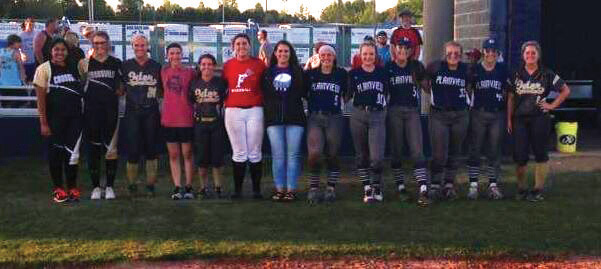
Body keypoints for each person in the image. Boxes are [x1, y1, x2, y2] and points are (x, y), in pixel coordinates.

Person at [507, 40, 570, 202]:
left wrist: (551, 105)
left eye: (533, 53)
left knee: (541, 154)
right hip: (520, 119)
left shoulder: (546, 74)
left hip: (539, 118)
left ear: (538, 55)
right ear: (523, 56)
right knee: (520, 156)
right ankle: (521, 188)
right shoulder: (516, 74)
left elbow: (565, 90)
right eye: (527, 53)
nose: (530, 55)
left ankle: (537, 190)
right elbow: (511, 98)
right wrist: (509, 119)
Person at [33, 38, 83, 203]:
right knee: (56, 154)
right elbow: (40, 99)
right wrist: (43, 122)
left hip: (75, 119)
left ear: (67, 52)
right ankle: (58, 188)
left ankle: (72, 187)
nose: (60, 53)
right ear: (50, 51)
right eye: (56, 49)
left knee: (73, 154)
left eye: (63, 50)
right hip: (55, 120)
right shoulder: (44, 69)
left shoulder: (74, 68)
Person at [423, 41, 472, 201]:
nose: (453, 55)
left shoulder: (466, 69)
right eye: (450, 52)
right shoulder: (435, 67)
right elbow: (424, 83)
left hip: (460, 114)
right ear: (444, 54)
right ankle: (436, 183)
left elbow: (471, 86)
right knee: (439, 153)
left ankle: (449, 185)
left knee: (455, 151)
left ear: (461, 54)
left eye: (457, 53)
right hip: (439, 114)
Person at [78, 31, 123, 200]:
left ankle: (110, 186)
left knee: (111, 150)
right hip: (90, 113)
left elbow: (121, 85)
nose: (99, 46)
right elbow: (80, 84)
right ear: (92, 45)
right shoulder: (84, 64)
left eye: (102, 43)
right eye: (96, 43)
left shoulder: (116, 63)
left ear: (108, 43)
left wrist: (121, 89)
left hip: (111, 112)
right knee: (93, 150)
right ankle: (96, 186)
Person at [222, 33, 267, 199]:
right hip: (233, 110)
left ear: (250, 45)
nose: (241, 47)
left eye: (244, 43)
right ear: (233, 47)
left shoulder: (259, 64)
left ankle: (256, 190)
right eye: (238, 44)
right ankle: (238, 190)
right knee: (239, 152)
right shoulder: (228, 65)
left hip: (255, 109)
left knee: (255, 152)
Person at [385, 37, 429, 206]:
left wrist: (424, 77)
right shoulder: (389, 67)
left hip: (411, 111)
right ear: (395, 49)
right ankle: (401, 187)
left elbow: (426, 88)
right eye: (400, 47)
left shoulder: (416, 66)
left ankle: (423, 188)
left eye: (406, 48)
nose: (403, 51)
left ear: (411, 51)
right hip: (394, 110)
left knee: (417, 149)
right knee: (396, 150)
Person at [262, 40, 306, 202]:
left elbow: (304, 91)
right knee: (278, 156)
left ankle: (291, 190)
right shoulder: (268, 73)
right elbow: (264, 95)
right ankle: (280, 189)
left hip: (295, 119)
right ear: (275, 53)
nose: (283, 54)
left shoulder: (298, 71)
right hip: (274, 120)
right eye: (280, 51)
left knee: (293, 155)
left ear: (290, 53)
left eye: (286, 51)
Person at [305, 44, 347, 203]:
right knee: (314, 153)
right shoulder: (311, 74)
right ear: (318, 57)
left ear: (334, 57)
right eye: (323, 55)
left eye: (329, 55)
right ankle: (314, 188)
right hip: (315, 116)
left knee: (333, 153)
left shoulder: (341, 74)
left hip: (334, 116)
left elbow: (347, 93)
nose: (326, 58)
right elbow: (303, 92)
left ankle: (331, 188)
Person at [466, 38, 508, 200]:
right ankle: (473, 185)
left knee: (494, 150)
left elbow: (506, 91)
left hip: (496, 113)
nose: (490, 54)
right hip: (478, 113)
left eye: (493, 51)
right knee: (475, 149)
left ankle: (493, 185)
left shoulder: (502, 69)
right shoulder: (475, 69)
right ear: (483, 52)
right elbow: (468, 90)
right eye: (488, 50)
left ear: (498, 53)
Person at [122, 34, 162, 197]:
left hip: (151, 111)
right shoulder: (125, 66)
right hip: (132, 111)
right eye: (136, 45)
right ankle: (132, 185)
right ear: (132, 46)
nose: (140, 48)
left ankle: (150, 185)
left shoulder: (156, 66)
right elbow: (119, 87)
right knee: (133, 150)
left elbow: (161, 88)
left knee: (151, 149)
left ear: (147, 47)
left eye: (143, 45)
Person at [349, 42, 389, 203]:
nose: (368, 57)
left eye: (371, 54)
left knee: (377, 157)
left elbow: (386, 94)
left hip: (377, 115)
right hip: (359, 113)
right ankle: (367, 187)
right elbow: (347, 95)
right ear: (360, 55)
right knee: (361, 155)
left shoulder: (382, 72)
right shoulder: (354, 73)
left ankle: (377, 185)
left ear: (375, 56)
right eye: (365, 54)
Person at [161, 42, 196, 200]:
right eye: (172, 53)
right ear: (167, 56)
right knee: (174, 155)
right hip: (169, 119)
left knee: (187, 154)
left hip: (186, 119)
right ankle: (177, 187)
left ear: (182, 55)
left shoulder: (190, 73)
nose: (175, 56)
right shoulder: (163, 72)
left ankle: (188, 186)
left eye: (178, 53)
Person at [189, 54, 227, 199]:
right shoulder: (194, 83)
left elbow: (224, 100)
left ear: (214, 66)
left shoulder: (220, 82)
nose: (206, 67)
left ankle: (218, 187)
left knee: (217, 158)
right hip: (200, 124)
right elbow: (192, 100)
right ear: (199, 66)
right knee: (202, 158)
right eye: (203, 64)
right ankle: (203, 187)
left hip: (216, 123)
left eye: (209, 64)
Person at [19, 17, 36, 82]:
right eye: (30, 25)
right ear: (26, 24)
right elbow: (17, 48)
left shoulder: (37, 34)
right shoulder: (21, 35)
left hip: (34, 62)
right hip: (25, 63)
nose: (31, 27)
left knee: (33, 81)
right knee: (25, 80)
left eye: (33, 25)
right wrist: (21, 54)